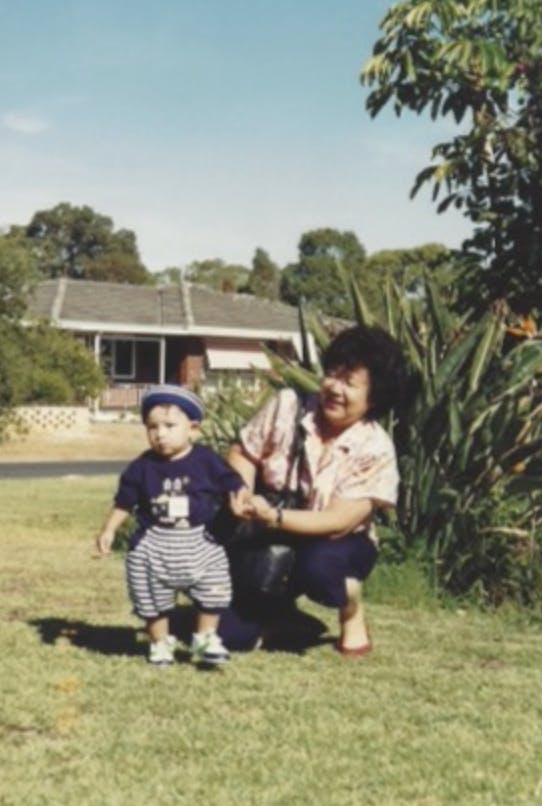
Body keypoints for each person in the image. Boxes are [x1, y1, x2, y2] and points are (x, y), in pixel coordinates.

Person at [224, 324, 408, 656]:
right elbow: (244, 452)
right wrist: (242, 490)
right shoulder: (287, 405)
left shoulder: (376, 448)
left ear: (373, 397)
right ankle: (283, 615)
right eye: (332, 376)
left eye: (349, 383)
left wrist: (275, 516)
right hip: (274, 535)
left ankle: (351, 610)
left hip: (336, 543)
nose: (334, 389)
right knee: (231, 637)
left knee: (320, 569)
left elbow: (338, 521)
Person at [96, 384, 245, 666]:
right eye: (152, 427)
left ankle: (205, 638)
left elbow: (231, 481)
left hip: (200, 541)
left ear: (193, 428)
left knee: (214, 588)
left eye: (169, 425)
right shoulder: (142, 466)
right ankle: (160, 643)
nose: (160, 433)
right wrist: (110, 529)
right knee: (151, 597)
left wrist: (241, 495)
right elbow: (125, 501)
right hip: (154, 544)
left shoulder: (206, 460)